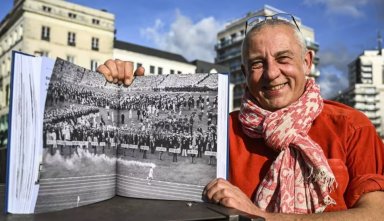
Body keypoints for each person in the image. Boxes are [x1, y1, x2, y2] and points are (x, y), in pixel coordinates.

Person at [97, 13, 384, 220]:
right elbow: (142, 165)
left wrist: (260, 217)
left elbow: (376, 214)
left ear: (306, 62)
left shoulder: (351, 126)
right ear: (245, 74)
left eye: (283, 58)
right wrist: (116, 92)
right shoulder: (221, 130)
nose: (272, 73)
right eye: (258, 64)